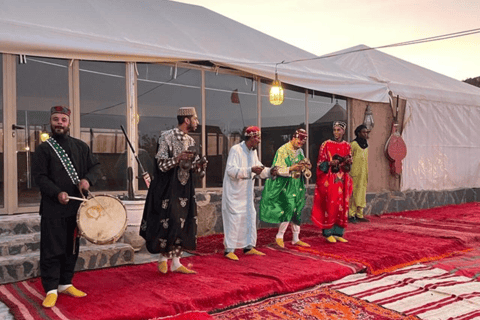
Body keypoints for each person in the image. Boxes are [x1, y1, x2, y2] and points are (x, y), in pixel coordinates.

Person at [32, 106, 101, 308]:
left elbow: (95, 166)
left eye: (63, 119)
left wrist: (88, 180)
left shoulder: (80, 147)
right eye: (56, 119)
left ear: (69, 123)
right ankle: (51, 289)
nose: (59, 123)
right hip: (53, 208)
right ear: (51, 122)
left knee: (71, 248)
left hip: (75, 209)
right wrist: (56, 193)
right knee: (51, 249)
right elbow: (40, 177)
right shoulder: (44, 149)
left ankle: (65, 283)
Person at [140, 107, 206, 274]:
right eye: (195, 119)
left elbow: (191, 168)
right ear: (187, 120)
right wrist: (178, 159)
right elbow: (161, 164)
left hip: (184, 187)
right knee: (168, 222)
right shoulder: (166, 137)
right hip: (167, 188)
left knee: (182, 223)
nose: (197, 122)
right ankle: (163, 259)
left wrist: (199, 165)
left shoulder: (191, 141)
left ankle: (176, 262)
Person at [222, 126, 278, 260]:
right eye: (257, 138)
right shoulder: (235, 150)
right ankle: (229, 249)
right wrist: (250, 170)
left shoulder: (253, 152)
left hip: (246, 194)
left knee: (250, 217)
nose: (259, 141)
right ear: (251, 137)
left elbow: (259, 168)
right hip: (234, 194)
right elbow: (231, 170)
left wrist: (270, 172)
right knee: (234, 220)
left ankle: (249, 247)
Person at [259, 128, 312, 248]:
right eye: (299, 142)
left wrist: (305, 166)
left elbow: (301, 164)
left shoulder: (299, 151)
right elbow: (276, 170)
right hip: (285, 185)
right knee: (288, 208)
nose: (300, 145)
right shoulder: (282, 150)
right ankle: (279, 236)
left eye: (302, 143)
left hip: (297, 184)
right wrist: (291, 169)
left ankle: (295, 238)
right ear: (294, 138)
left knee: (297, 209)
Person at [311, 121, 353, 243]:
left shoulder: (347, 146)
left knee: (342, 206)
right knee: (330, 204)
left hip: (343, 179)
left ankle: (338, 232)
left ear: (343, 131)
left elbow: (349, 164)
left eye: (338, 130)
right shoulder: (326, 144)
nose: (336, 132)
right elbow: (320, 164)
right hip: (330, 179)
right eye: (334, 130)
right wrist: (330, 163)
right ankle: (328, 232)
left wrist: (348, 162)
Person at [349, 125, 370, 223]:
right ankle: (351, 214)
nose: (366, 134)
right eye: (363, 132)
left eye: (366, 132)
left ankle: (359, 214)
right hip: (354, 173)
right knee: (353, 194)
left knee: (362, 193)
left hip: (363, 173)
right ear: (358, 133)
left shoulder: (366, 144)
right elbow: (348, 158)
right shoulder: (353, 144)